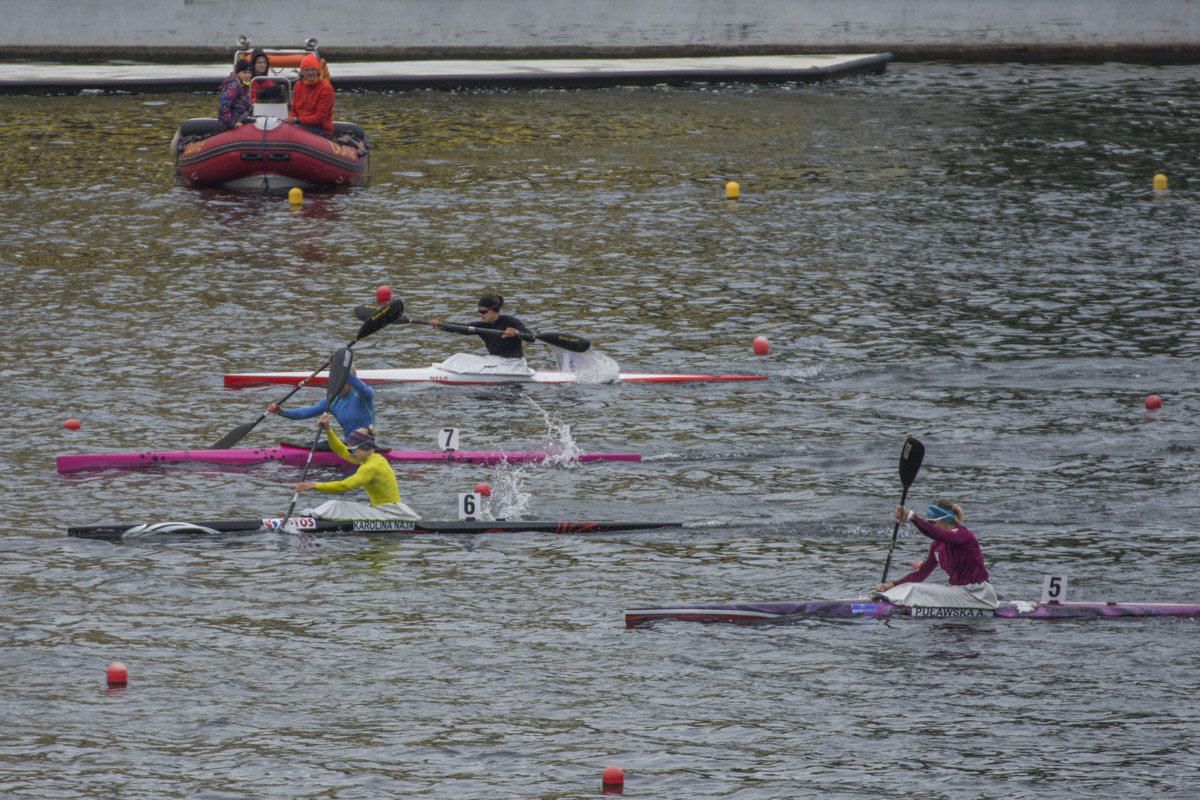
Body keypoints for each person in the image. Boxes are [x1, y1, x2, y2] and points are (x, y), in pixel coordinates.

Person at [875, 501, 999, 609]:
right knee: (912, 586)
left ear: (946, 520)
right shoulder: (936, 546)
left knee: (915, 590)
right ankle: (886, 598)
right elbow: (920, 574)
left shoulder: (963, 535)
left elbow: (936, 533)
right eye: (928, 522)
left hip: (978, 594)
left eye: (932, 522)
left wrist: (911, 516)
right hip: (959, 592)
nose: (930, 525)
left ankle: (885, 604)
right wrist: (892, 585)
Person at [293, 416, 419, 521]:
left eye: (352, 450)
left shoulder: (371, 467)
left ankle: (313, 517)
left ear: (364, 447)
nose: (349, 453)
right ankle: (316, 515)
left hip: (389, 514)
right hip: (382, 510)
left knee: (335, 505)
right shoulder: (371, 458)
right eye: (349, 449)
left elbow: (344, 486)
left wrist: (313, 486)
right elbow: (341, 451)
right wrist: (328, 430)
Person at [267, 366, 375, 445]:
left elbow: (368, 391)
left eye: (339, 382)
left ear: (348, 381)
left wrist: (345, 373)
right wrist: (281, 411)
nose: (335, 386)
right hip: (349, 446)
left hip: (366, 446)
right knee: (316, 444)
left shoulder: (362, 395)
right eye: (333, 382)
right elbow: (304, 413)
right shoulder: (331, 401)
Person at [429, 293, 531, 359]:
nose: (480, 314)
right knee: (460, 358)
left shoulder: (510, 321)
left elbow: (531, 337)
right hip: (494, 361)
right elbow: (463, 329)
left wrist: (516, 332)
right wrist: (441, 326)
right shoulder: (481, 326)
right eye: (479, 311)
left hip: (514, 363)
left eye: (483, 312)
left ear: (494, 310)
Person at [284, 52, 334, 136]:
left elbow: (320, 117)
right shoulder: (298, 86)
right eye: (307, 70)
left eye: (313, 69)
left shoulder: (326, 89)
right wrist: (291, 120)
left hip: (320, 130)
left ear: (317, 71)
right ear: (302, 72)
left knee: (292, 130)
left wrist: (297, 120)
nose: (310, 72)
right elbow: (294, 110)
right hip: (300, 125)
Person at [216, 58, 253, 132]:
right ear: (238, 73)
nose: (247, 75)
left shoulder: (243, 86)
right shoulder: (234, 86)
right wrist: (233, 123)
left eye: (249, 73)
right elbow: (223, 107)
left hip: (237, 124)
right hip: (228, 128)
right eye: (244, 72)